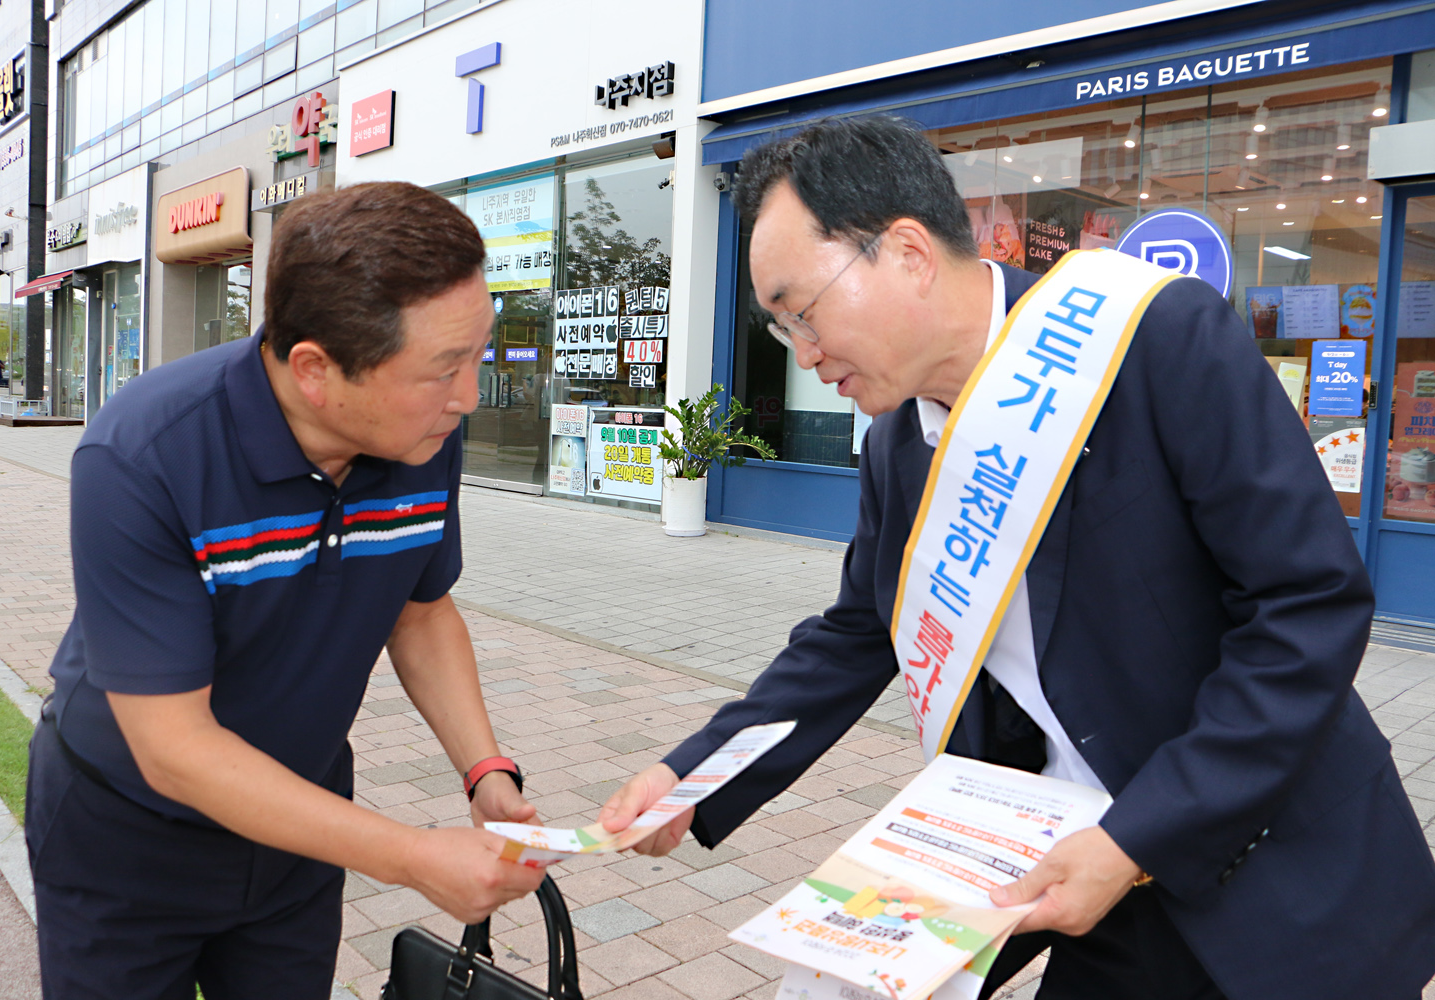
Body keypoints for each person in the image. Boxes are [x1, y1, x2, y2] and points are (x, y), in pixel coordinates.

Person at [599, 116, 1435, 1000]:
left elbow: (1306, 607)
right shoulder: (898, 445)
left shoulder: (1156, 341)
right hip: (1072, 873)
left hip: (1272, 877)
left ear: (909, 253)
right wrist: (696, 773)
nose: (803, 354)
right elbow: (855, 635)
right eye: (780, 331)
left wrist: (1138, 839)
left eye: (801, 312)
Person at [25, 182, 546, 999]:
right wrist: (412, 856)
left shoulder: (421, 434)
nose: (468, 398)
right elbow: (177, 751)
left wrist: (486, 770)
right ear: (315, 369)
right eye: (442, 369)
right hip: (124, 840)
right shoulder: (141, 456)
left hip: (299, 831)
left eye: (474, 357)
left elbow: (421, 610)